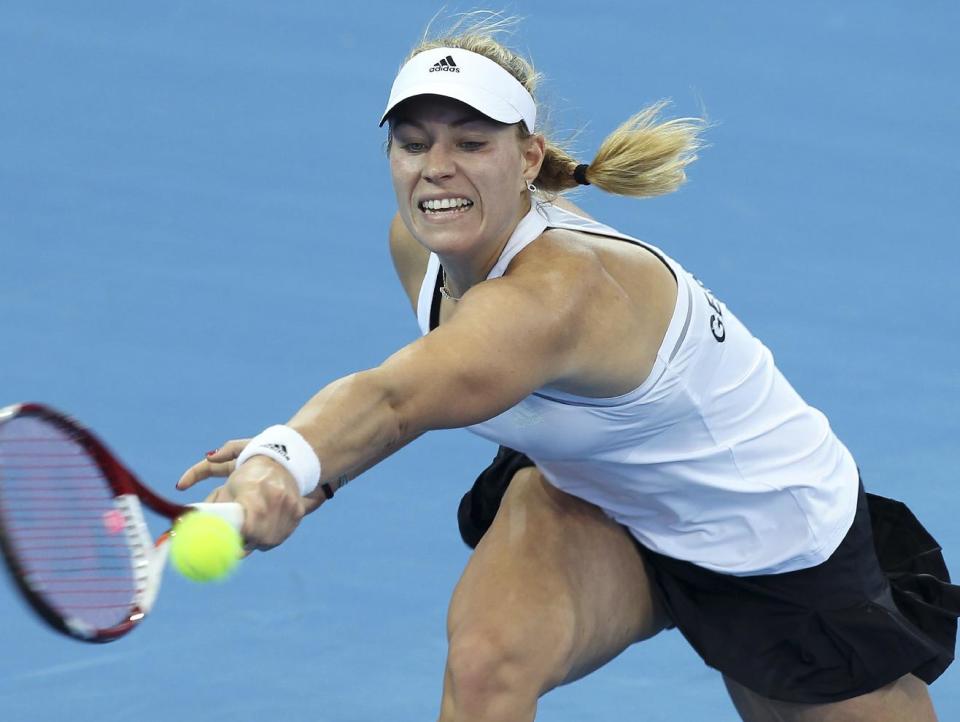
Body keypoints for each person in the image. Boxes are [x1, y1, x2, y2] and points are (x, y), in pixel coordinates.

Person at [176, 15, 958, 722]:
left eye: (470, 143)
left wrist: (288, 460)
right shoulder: (417, 246)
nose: (435, 169)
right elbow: (428, 383)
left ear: (527, 158)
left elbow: (392, 400)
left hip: (771, 543)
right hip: (601, 495)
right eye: (413, 143)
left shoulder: (558, 295)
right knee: (487, 663)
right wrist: (313, 465)